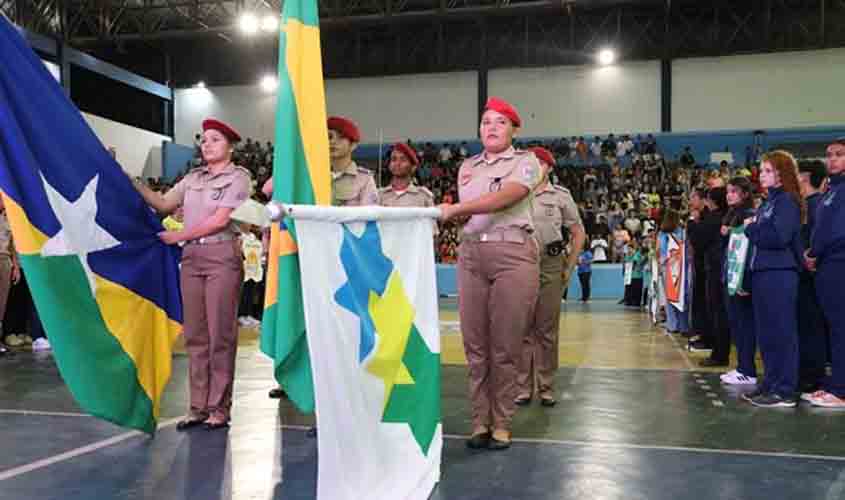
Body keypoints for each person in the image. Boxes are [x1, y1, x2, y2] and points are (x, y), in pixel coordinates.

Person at [438, 97, 543, 450]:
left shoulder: (528, 163)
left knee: (506, 344)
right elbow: (471, 216)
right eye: (485, 122)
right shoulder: (467, 166)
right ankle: (479, 421)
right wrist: (455, 214)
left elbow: (507, 198)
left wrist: (455, 209)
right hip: (471, 255)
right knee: (475, 345)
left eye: (500, 122)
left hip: (513, 252)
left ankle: (502, 422)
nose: (491, 128)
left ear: (514, 129)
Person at [133, 118, 252, 429]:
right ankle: (197, 406)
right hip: (192, 257)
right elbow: (161, 203)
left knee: (220, 335)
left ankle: (219, 408)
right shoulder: (192, 178)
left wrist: (179, 235)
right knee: (196, 336)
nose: (207, 144)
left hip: (221, 255)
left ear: (229, 146)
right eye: (204, 139)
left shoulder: (238, 178)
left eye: (214, 139)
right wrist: (130, 181)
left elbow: (220, 220)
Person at [515, 147, 583, 409]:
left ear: (550, 168)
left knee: (546, 329)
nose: (535, 167)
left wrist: (570, 266)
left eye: (540, 163)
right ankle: (522, 387)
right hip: (520, 263)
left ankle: (545, 386)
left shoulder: (560, 196)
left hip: (550, 264)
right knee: (522, 328)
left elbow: (577, 232)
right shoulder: (516, 193)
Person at [743, 151, 805, 408]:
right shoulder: (769, 203)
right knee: (767, 333)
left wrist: (752, 228)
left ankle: (786, 389)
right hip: (763, 273)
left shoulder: (787, 202)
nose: (762, 175)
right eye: (762, 170)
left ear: (782, 174)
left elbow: (778, 237)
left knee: (782, 332)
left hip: (779, 273)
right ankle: (770, 382)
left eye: (768, 170)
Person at [803, 139, 845, 407]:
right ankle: (835, 383)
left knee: (841, 328)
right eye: (829, 155)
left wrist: (815, 253)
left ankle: (840, 391)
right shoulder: (832, 190)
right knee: (834, 327)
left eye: (840, 155)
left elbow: (838, 232)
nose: (832, 159)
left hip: (839, 262)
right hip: (825, 264)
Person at [720, 177, 758, 385]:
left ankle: (748, 370)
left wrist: (745, 280)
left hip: (741, 277)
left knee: (744, 324)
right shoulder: (732, 214)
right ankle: (743, 366)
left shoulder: (748, 215)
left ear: (744, 193)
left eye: (734, 191)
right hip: (731, 275)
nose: (729, 195)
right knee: (736, 323)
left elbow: (747, 248)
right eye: (728, 191)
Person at [796, 160, 829, 393]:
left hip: (812, 276)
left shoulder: (815, 206)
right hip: (805, 274)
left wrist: (810, 256)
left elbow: (815, 242)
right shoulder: (808, 205)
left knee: (811, 325)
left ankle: (813, 375)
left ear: (805, 177)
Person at [328, 116, 378, 207]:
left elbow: (368, 215)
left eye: (341, 137)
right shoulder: (316, 176)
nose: (333, 142)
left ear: (353, 145)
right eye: (330, 137)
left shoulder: (364, 179)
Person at [658, 210, 689, 335]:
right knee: (680, 296)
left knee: (670, 297)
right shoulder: (681, 232)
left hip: (667, 267)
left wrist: (662, 264)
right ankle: (683, 325)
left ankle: (672, 324)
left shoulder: (662, 234)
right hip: (680, 267)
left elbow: (661, 252)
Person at [378, 143, 435, 208]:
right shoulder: (380, 195)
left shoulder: (423, 196)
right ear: (389, 166)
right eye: (394, 159)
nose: (397, 163)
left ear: (413, 167)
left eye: (403, 160)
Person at [0, 198, 20, 356]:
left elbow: (13, 245)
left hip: (5, 261)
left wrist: (16, 267)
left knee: (2, 303)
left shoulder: (9, 217)